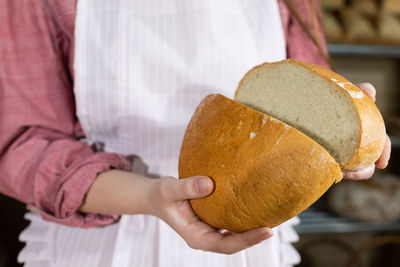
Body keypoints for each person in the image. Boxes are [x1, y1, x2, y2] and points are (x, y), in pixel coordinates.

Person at [0, 0, 391, 266]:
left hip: (251, 247)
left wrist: (347, 130)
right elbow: (23, 146)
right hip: (98, 244)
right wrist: (149, 196)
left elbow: (307, 97)